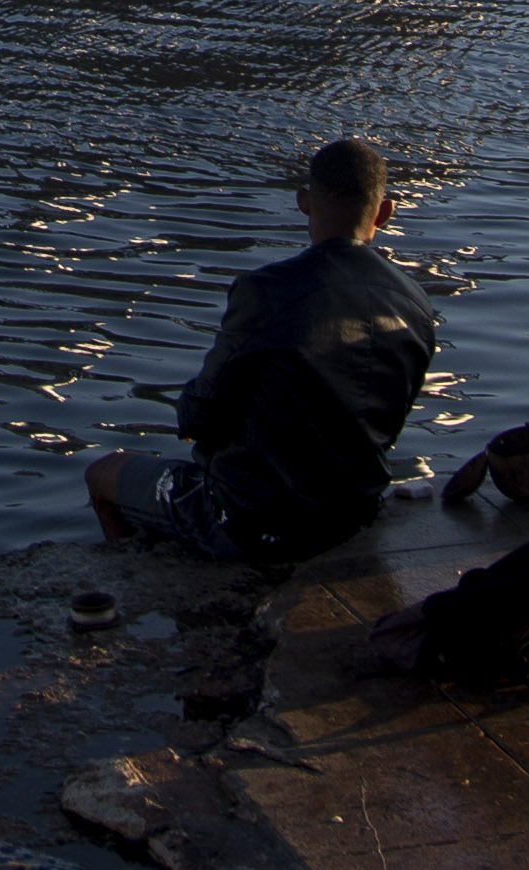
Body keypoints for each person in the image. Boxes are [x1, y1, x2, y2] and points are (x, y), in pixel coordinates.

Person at [89, 138, 444, 568]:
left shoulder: (266, 292)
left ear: (304, 203)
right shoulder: (417, 306)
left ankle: (123, 583)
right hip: (353, 517)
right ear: (384, 212)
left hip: (252, 524)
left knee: (104, 474)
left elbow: (198, 415)